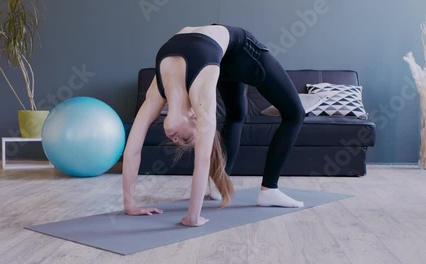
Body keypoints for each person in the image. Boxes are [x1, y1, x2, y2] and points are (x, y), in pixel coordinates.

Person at [122, 24, 305, 227]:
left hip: (234, 53)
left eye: (184, 139)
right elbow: (135, 151)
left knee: (294, 113)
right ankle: (240, 187)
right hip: (225, 54)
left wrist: (192, 217)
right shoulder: (200, 98)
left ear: (195, 118)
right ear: (195, 119)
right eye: (186, 139)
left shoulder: (159, 92)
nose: (175, 139)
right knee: (239, 115)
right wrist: (130, 206)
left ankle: (269, 188)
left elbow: (134, 150)